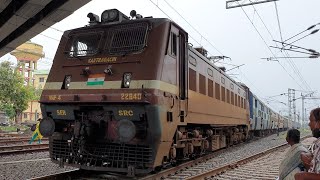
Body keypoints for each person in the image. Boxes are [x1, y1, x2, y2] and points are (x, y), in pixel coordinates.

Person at [295, 107, 320, 180]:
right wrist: (306, 161)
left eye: (311, 120)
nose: (309, 124)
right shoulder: (317, 143)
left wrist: (305, 176)